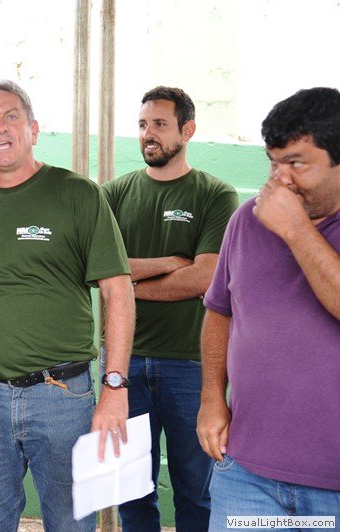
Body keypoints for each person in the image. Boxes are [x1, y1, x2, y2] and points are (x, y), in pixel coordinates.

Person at [0, 80, 135, 531]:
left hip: (63, 397)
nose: (0, 127)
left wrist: (115, 386)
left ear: (34, 129)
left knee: (72, 524)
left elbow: (118, 291)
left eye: (11, 116)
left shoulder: (78, 194)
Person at [197, 87, 340, 527]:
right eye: (274, 163)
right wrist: (211, 399)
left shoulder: (288, 221)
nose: (281, 180)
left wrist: (295, 229)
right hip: (246, 475)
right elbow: (220, 312)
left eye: (297, 163)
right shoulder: (246, 220)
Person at [101, 86, 238, 531]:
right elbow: (95, 270)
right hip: (123, 365)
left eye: (160, 124)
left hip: (190, 365)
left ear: (187, 130)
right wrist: (168, 264)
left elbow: (205, 278)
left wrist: (125, 286)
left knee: (196, 491)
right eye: (143, 125)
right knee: (130, 492)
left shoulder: (215, 195)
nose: (148, 134)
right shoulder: (113, 195)